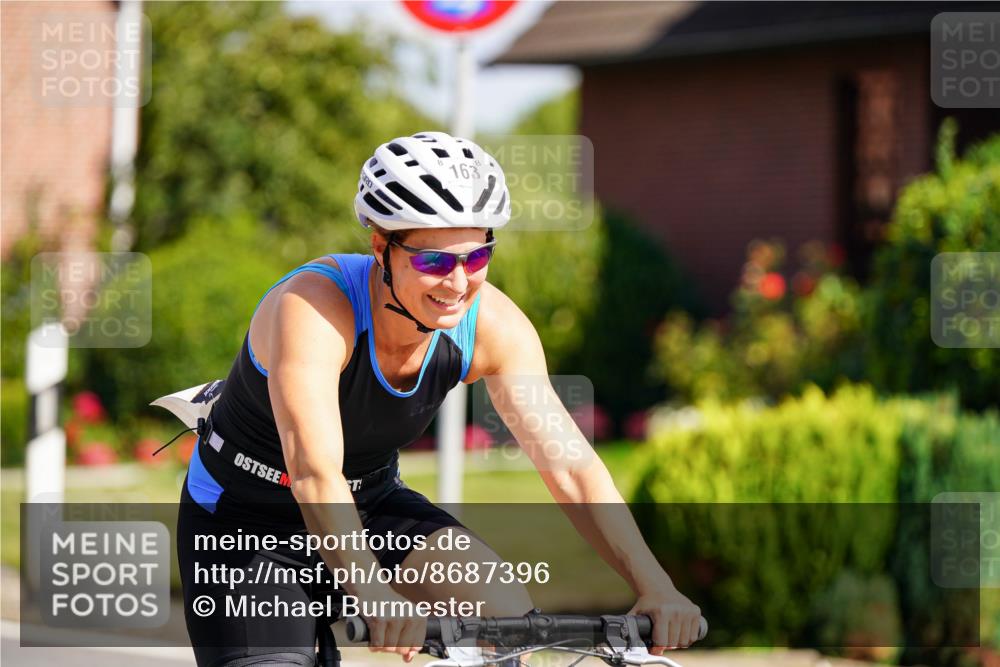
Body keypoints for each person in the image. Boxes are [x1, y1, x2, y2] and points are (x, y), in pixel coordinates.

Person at [176, 131, 701, 667]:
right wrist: (374, 593)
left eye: (477, 259)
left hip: (372, 506)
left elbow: (571, 466)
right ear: (382, 247)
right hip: (247, 524)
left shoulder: (491, 326)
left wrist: (656, 586)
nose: (457, 283)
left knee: (507, 617)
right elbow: (315, 472)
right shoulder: (314, 309)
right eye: (433, 262)